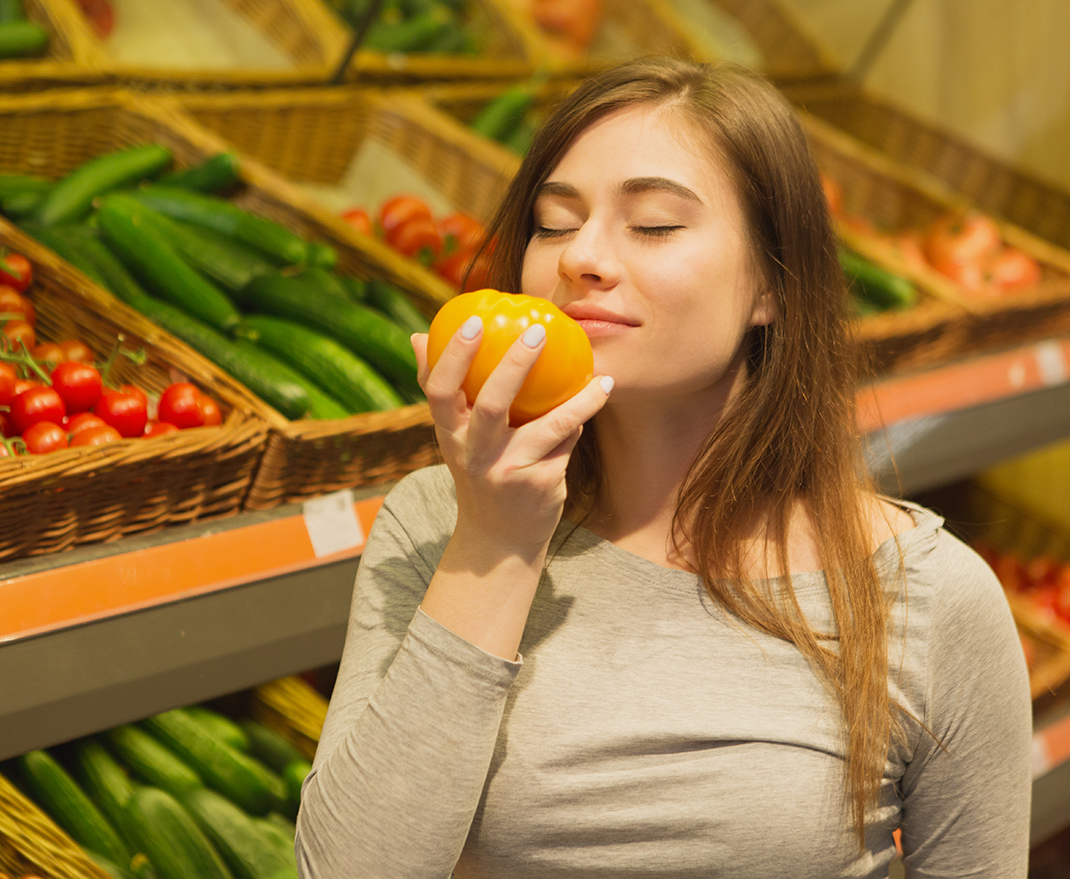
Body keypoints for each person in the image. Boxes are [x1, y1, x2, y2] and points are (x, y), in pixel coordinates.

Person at [295, 58, 1033, 877]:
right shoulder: (435, 521)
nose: (582, 256)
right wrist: (494, 542)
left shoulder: (929, 598)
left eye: (652, 225)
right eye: (551, 222)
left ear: (772, 287)